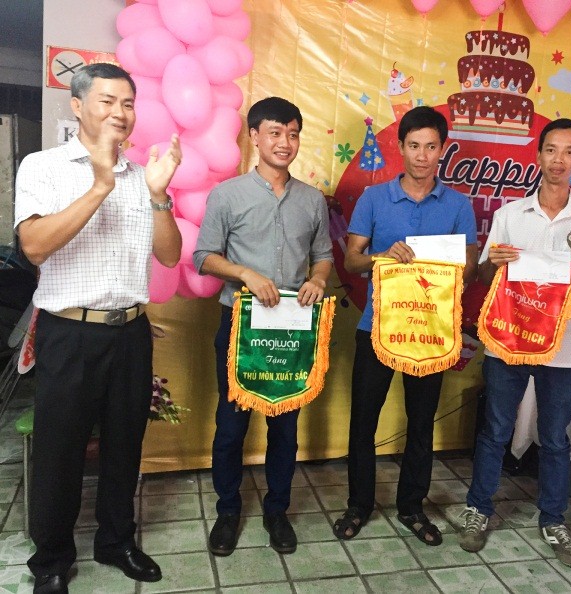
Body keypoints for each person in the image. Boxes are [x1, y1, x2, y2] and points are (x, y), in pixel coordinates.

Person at [14, 63, 182, 594]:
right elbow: (34, 246)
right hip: (70, 334)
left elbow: (170, 255)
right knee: (59, 452)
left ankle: (116, 541)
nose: (120, 112)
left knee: (124, 446)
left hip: (130, 332)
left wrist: (158, 195)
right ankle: (52, 559)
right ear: (78, 106)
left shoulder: (143, 176)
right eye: (107, 101)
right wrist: (101, 182)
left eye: (128, 103)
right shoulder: (43, 167)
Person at [458, 118, 571, 569]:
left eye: (569, 152)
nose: (558, 160)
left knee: (555, 438)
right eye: (551, 150)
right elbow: (485, 274)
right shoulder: (510, 214)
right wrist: (495, 262)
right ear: (539, 154)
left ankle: (554, 520)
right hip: (509, 338)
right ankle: (478, 510)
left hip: (564, 346)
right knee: (494, 430)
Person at [193, 97, 333, 556]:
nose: (284, 142)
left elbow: (324, 256)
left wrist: (317, 279)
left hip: (292, 329)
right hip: (241, 325)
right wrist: (244, 274)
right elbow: (203, 256)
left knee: (285, 429)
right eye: (275, 132)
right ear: (254, 136)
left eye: (292, 134)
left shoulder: (312, 200)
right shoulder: (227, 194)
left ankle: (277, 510)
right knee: (231, 426)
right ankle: (228, 510)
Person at [333, 106, 478, 546]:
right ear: (401, 148)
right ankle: (358, 504)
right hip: (377, 326)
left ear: (443, 150)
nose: (422, 155)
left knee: (421, 422)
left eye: (431, 146)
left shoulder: (458, 204)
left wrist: (443, 261)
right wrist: (381, 256)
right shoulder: (374, 198)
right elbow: (351, 260)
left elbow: (470, 268)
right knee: (364, 420)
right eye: (414, 145)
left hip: (430, 330)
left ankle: (412, 506)